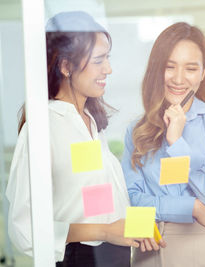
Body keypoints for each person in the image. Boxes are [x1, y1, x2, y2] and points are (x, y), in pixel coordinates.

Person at [6, 11, 142, 267]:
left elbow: (101, 204)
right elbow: (24, 227)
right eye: (99, 60)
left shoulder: (91, 121)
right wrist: (103, 231)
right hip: (79, 258)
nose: (109, 69)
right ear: (66, 66)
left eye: (107, 59)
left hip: (114, 255)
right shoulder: (43, 127)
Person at [121, 22, 205, 267]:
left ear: (204, 72)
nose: (178, 78)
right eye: (169, 67)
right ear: (156, 69)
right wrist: (193, 207)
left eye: (191, 68)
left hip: (202, 246)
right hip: (148, 246)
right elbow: (132, 199)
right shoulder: (136, 131)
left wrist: (177, 143)